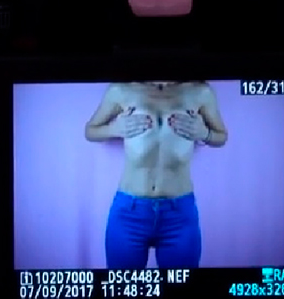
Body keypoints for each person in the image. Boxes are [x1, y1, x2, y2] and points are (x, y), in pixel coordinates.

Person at [84, 81, 228, 269]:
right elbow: (90, 130)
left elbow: (221, 136)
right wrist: (114, 128)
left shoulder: (200, 91)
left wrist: (205, 133)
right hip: (130, 212)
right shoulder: (121, 89)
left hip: (179, 214)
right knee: (122, 285)